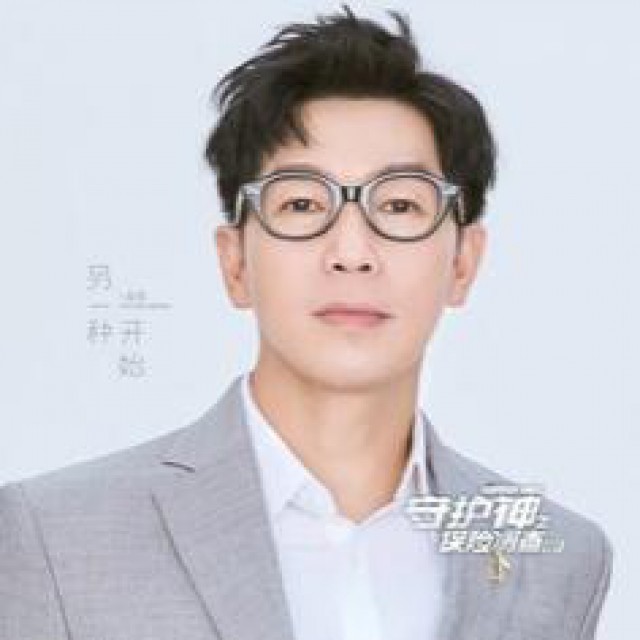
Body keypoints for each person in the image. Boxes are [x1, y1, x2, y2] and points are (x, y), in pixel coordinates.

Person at [0, 5, 612, 639]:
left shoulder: (558, 560)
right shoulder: (54, 539)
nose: (351, 252)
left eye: (400, 205)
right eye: (301, 203)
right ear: (235, 262)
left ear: (463, 262)